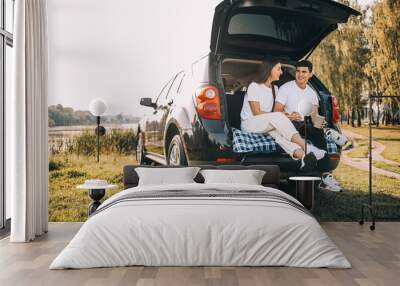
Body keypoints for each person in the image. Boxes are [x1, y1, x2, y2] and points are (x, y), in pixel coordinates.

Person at [240, 56, 325, 171]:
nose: (281, 72)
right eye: (279, 69)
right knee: (277, 119)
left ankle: (304, 157)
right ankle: (308, 148)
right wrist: (283, 116)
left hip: (267, 123)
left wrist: (289, 116)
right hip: (250, 123)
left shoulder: (275, 88)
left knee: (280, 136)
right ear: (270, 69)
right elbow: (256, 112)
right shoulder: (254, 86)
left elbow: (314, 115)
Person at [274, 60, 343, 192]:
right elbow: (276, 111)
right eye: (298, 71)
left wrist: (321, 124)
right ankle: (316, 166)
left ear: (310, 74)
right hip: (288, 124)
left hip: (304, 125)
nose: (300, 74)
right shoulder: (286, 88)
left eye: (304, 72)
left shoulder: (312, 94)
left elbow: (314, 117)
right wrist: (289, 115)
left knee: (319, 132)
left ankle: (324, 174)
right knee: (302, 127)